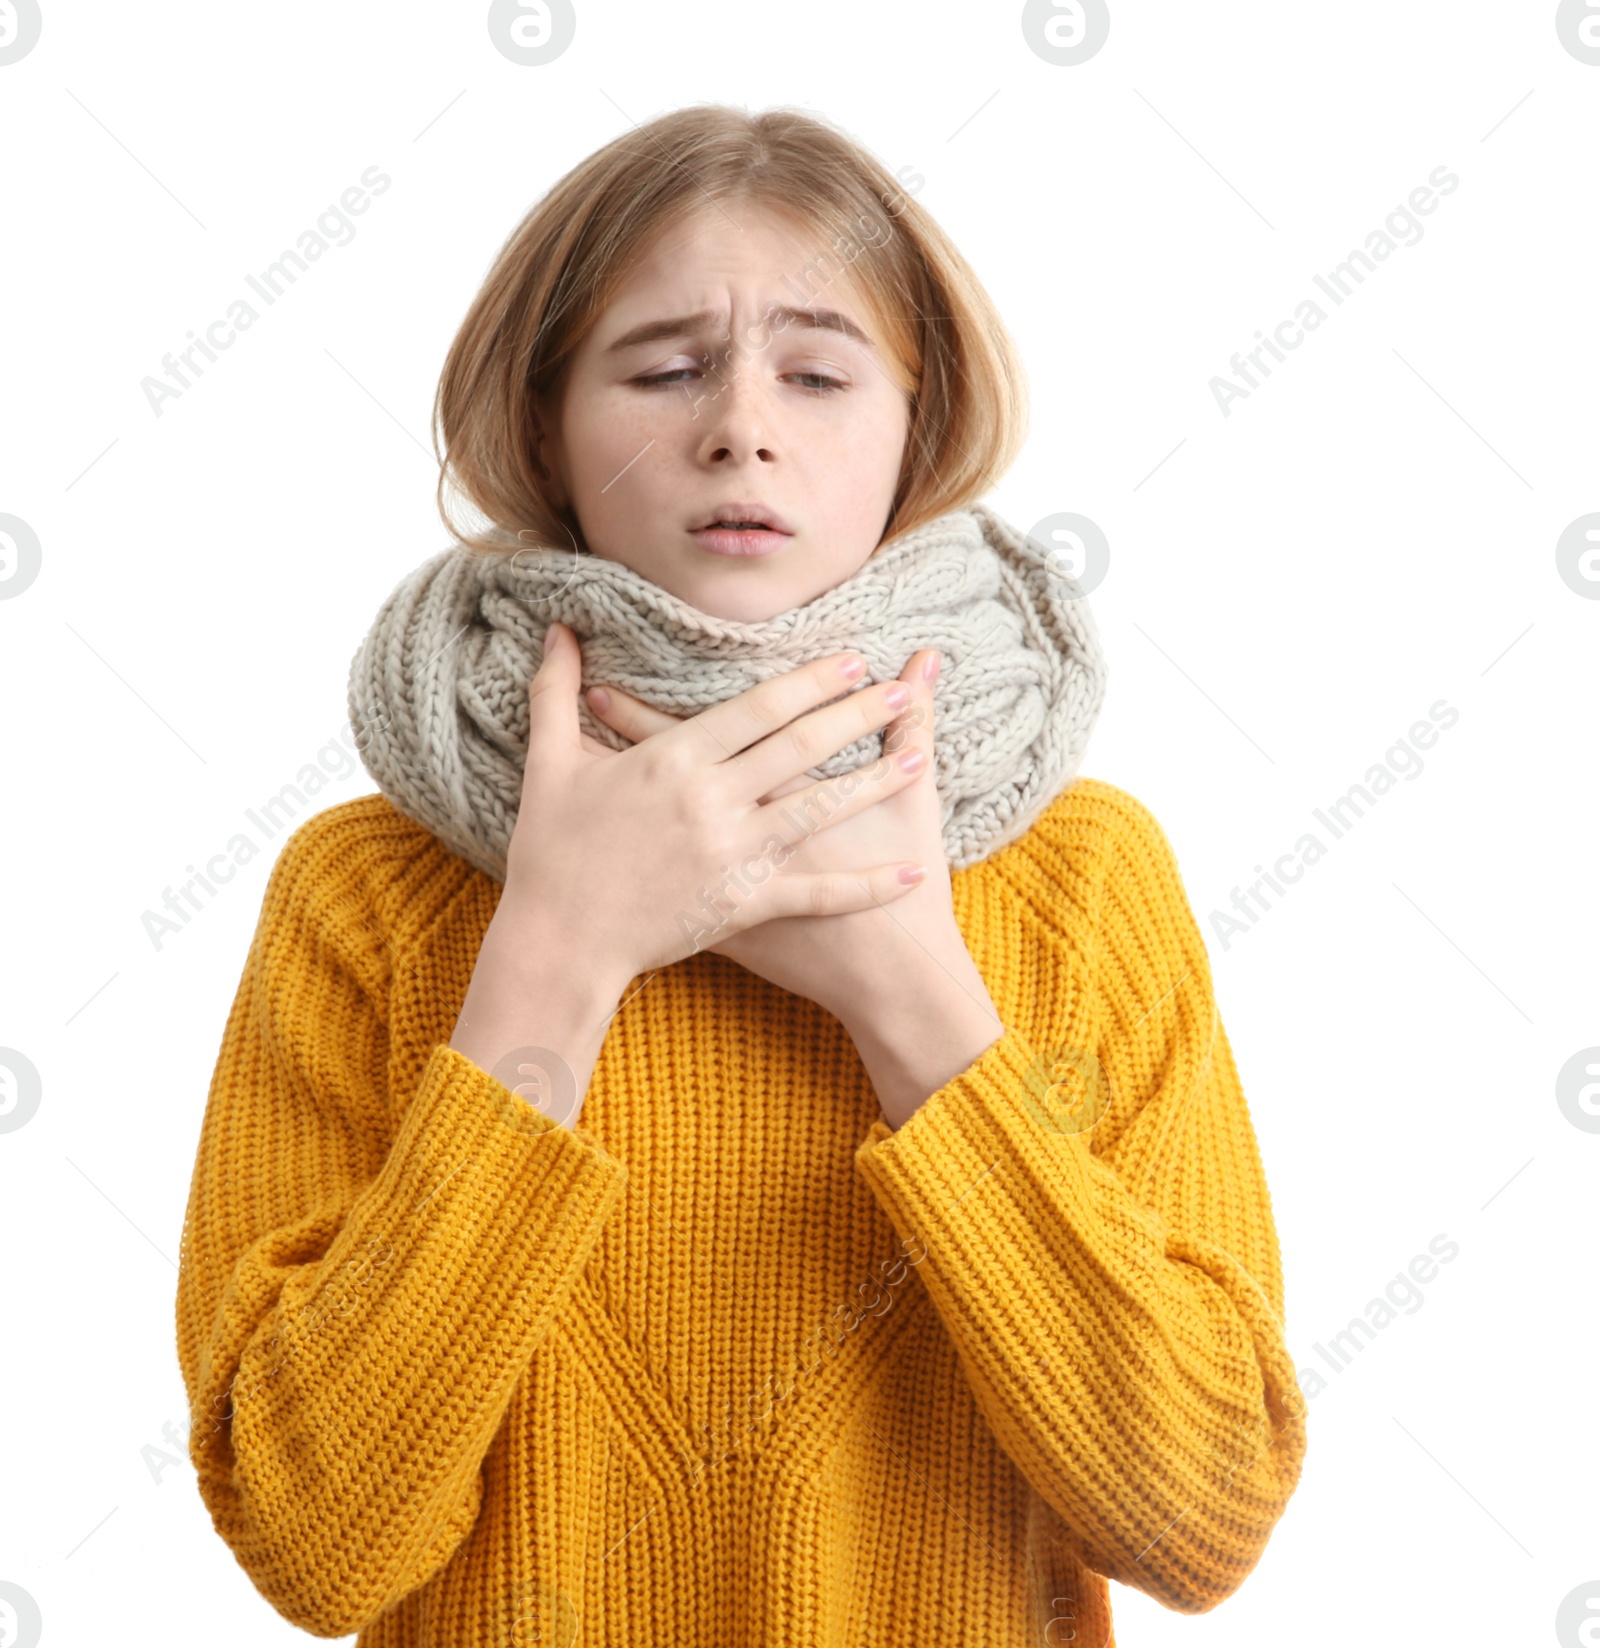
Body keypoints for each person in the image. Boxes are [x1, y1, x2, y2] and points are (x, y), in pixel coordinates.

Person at [174, 102, 1306, 1646]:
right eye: (662, 370)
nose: (742, 429)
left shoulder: (1083, 877)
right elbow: (313, 1542)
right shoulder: (369, 890)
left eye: (821, 371)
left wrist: (912, 994)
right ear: (547, 428)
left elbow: (1201, 1512)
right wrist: (558, 956)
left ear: (919, 428)